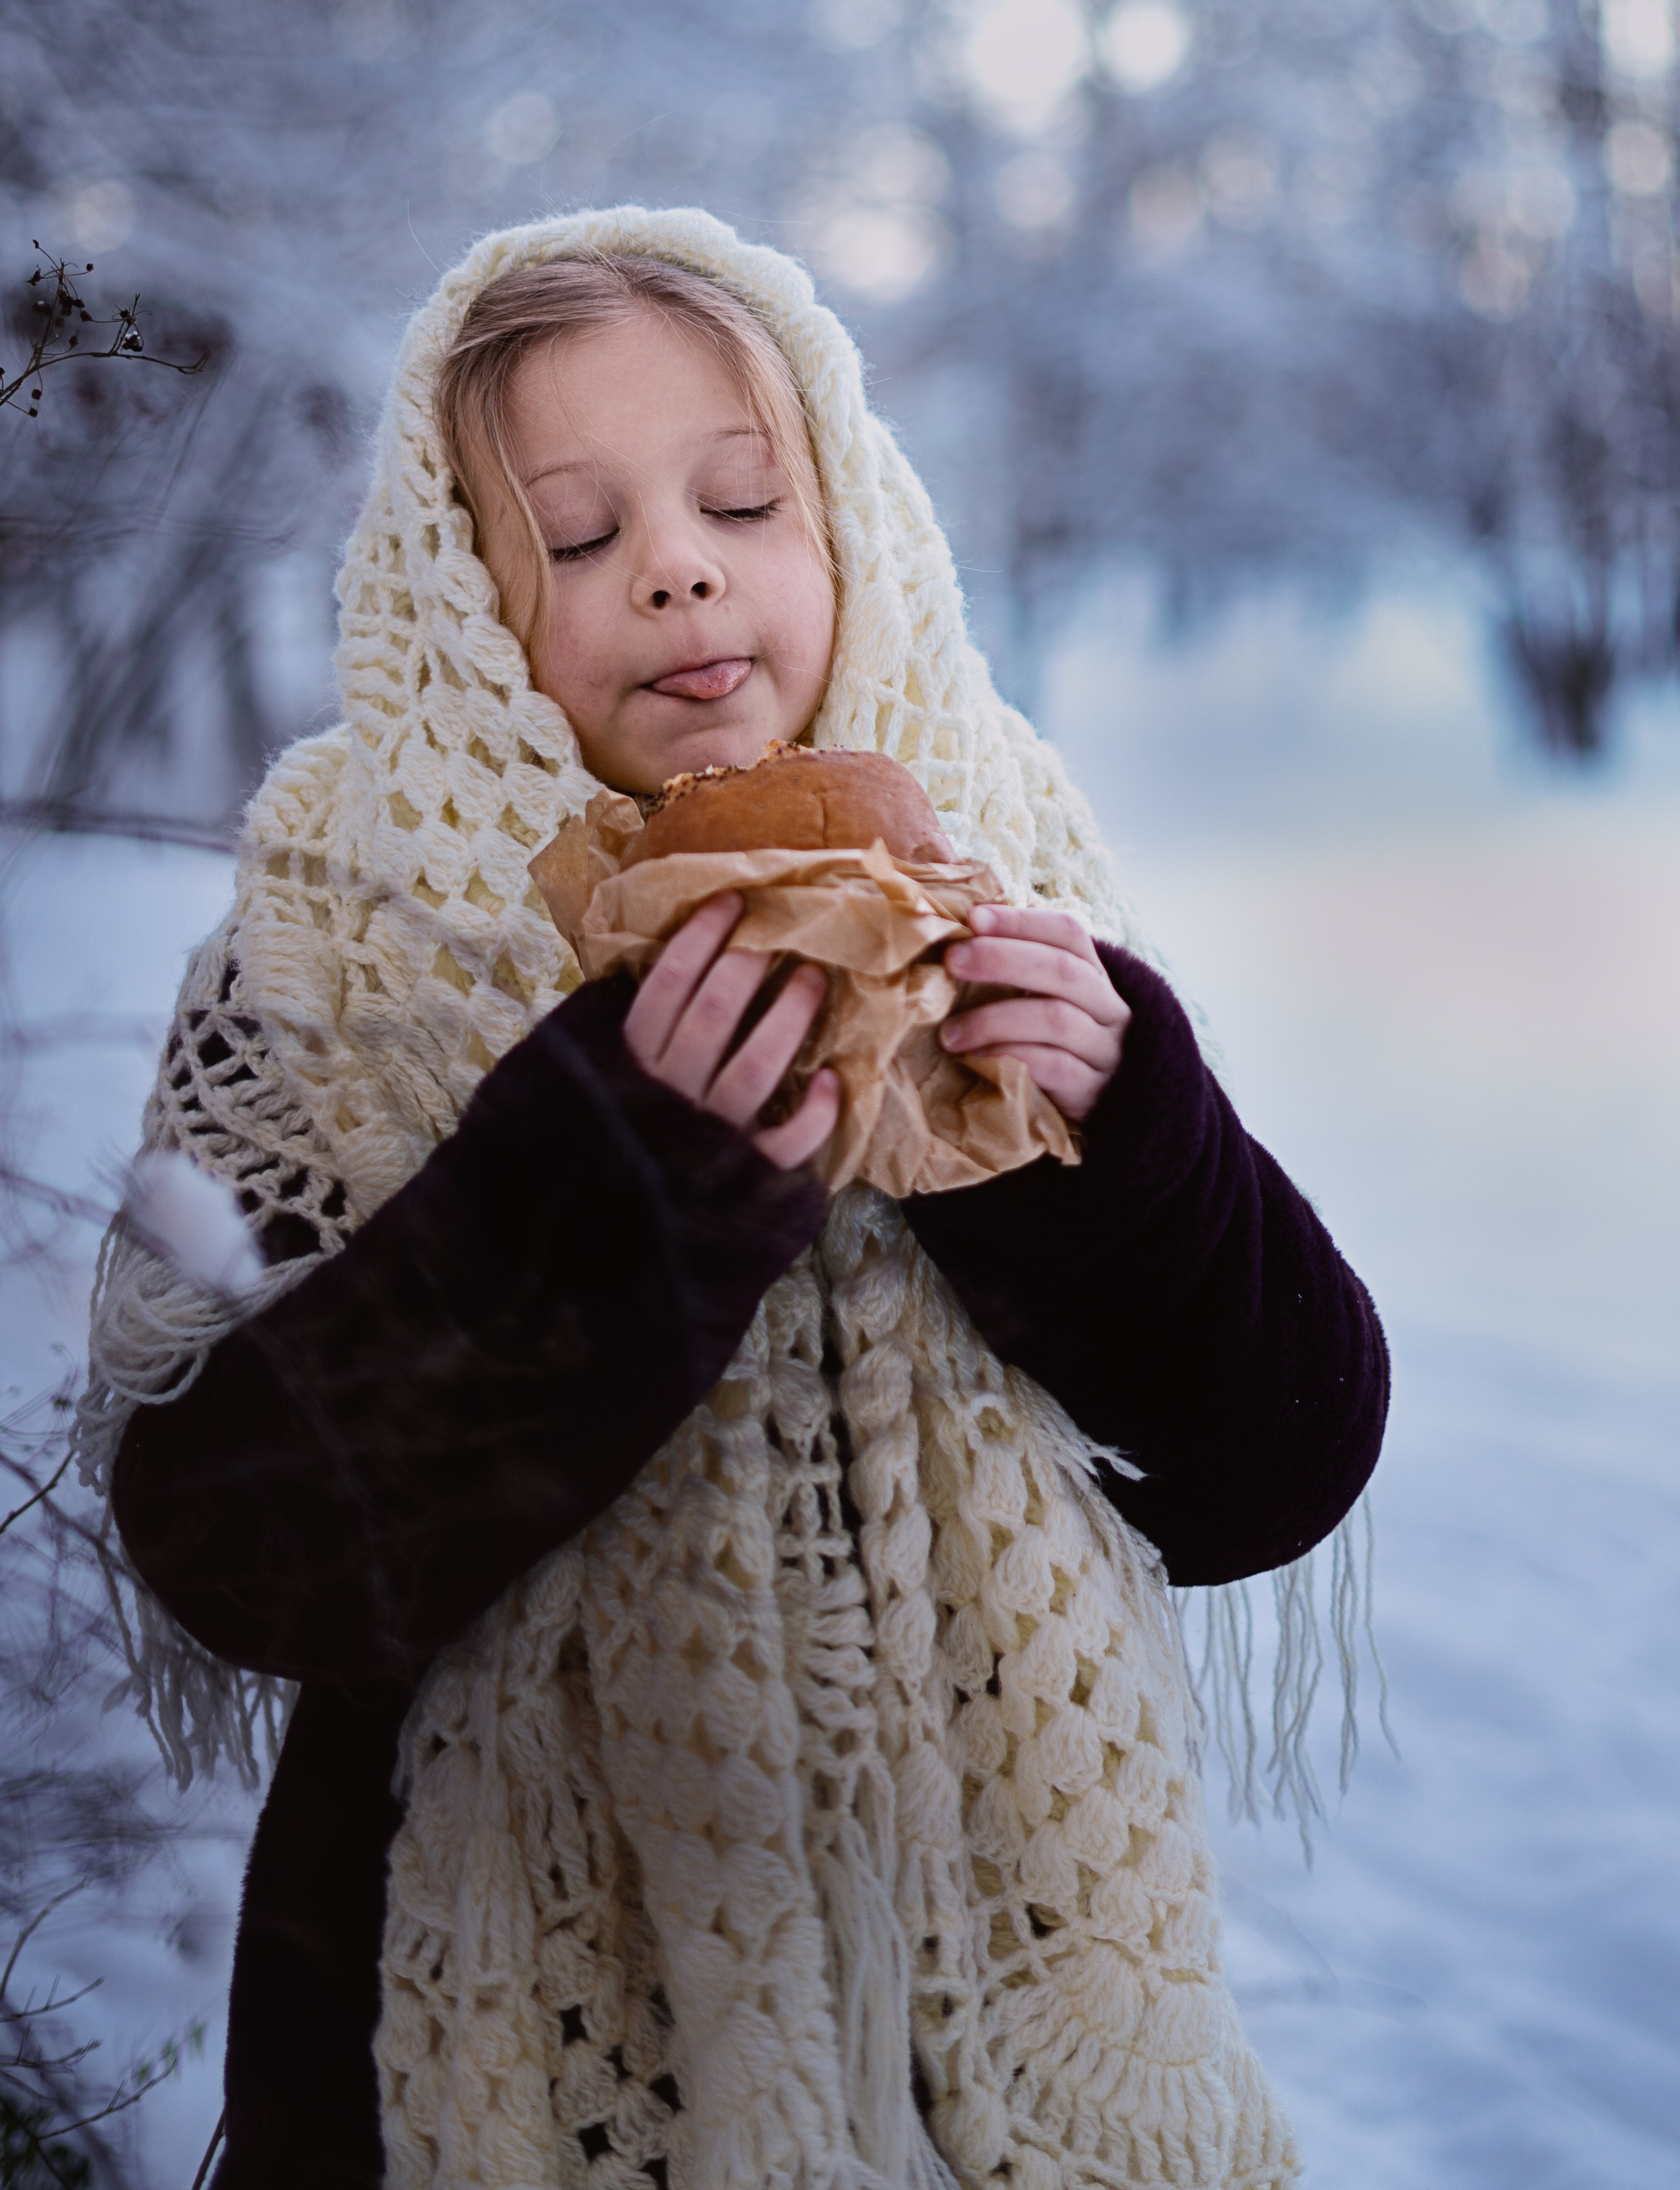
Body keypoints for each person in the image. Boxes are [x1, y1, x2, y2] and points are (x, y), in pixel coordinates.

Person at [79, 209, 1387, 2190]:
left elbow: (1268, 1463)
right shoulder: (328, 951)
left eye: (744, 498)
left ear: (846, 519)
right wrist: (614, 1162)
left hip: (985, 2033)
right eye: (579, 537)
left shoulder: (992, 875)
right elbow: (231, 1541)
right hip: (454, 2036)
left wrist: (1132, 1140)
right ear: (459, 606)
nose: (677, 564)